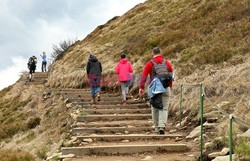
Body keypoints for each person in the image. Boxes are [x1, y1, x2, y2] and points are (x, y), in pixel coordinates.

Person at [139, 47, 173, 135]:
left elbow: (144, 76)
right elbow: (171, 75)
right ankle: (162, 126)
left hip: (155, 88)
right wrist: (170, 86)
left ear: (152, 53)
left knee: (155, 107)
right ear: (161, 53)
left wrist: (141, 87)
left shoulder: (150, 63)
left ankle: (157, 128)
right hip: (166, 87)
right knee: (164, 108)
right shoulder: (167, 63)